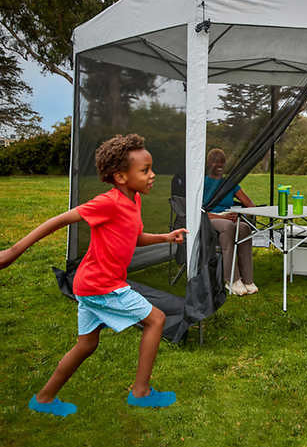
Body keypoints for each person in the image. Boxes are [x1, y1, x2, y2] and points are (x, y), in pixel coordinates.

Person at [0, 134, 187, 417]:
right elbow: (59, 220)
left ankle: (45, 398)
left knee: (86, 344)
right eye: (145, 170)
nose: (152, 175)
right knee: (157, 319)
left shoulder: (134, 199)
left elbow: (134, 238)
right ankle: (141, 392)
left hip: (88, 283)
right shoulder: (107, 203)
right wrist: (13, 251)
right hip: (102, 285)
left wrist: (165, 237)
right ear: (121, 177)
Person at [204, 148, 257, 296]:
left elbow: (250, 204)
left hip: (228, 216)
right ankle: (232, 279)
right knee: (228, 226)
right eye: (215, 162)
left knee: (244, 228)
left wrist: (239, 213)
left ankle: (248, 280)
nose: (219, 165)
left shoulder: (229, 184)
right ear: (209, 163)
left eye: (222, 162)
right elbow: (199, 211)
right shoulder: (203, 183)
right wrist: (224, 218)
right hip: (209, 218)